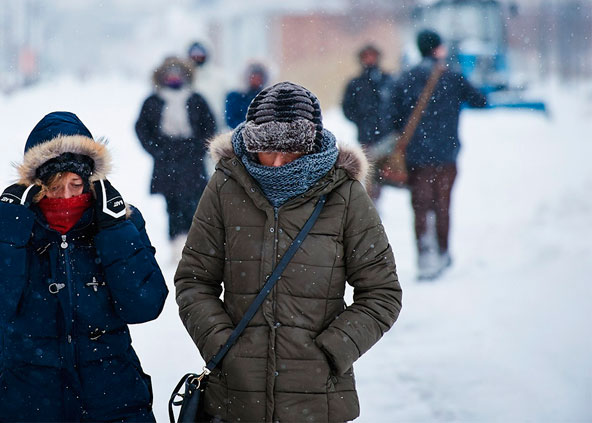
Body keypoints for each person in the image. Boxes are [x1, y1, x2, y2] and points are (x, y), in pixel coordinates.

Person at [175, 82, 403, 423]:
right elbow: (194, 282)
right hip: (236, 398)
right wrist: (223, 348)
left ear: (310, 147)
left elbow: (382, 293)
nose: (279, 163)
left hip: (319, 400)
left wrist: (331, 351)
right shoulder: (225, 187)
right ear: (251, 143)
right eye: (268, 150)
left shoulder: (345, 195)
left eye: (291, 151)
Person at [0, 111, 168, 423]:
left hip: (114, 402)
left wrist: (114, 231)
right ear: (35, 186)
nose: (67, 197)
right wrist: (8, 227)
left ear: (91, 183)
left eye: (75, 184)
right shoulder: (4, 227)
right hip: (27, 404)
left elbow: (146, 305)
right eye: (55, 187)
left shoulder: (120, 222)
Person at [389, 29, 487, 280]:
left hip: (417, 157)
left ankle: (425, 257)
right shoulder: (452, 77)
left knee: (421, 206)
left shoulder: (406, 78)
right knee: (442, 205)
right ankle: (443, 253)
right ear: (439, 49)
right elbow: (480, 100)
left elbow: (391, 116)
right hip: (446, 154)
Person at [135, 56, 216, 251]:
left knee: (195, 205)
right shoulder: (153, 100)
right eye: (169, 74)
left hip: (192, 162)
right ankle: (176, 247)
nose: (173, 78)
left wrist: (198, 148)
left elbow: (210, 126)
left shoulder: (196, 99)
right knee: (172, 207)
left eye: (177, 74)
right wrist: (158, 150)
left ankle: (195, 247)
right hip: (166, 162)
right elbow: (141, 129)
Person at [341, 44, 392, 201]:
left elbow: (396, 104)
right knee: (370, 172)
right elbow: (347, 108)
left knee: (386, 170)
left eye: (372, 56)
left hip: (387, 135)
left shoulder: (387, 80)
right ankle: (372, 200)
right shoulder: (355, 83)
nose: (370, 59)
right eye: (366, 56)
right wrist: (361, 120)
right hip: (366, 135)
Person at [224, 62, 268, 129]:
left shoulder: (266, 97)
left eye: (259, 77)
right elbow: (231, 120)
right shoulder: (235, 97)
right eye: (254, 76)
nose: (256, 80)